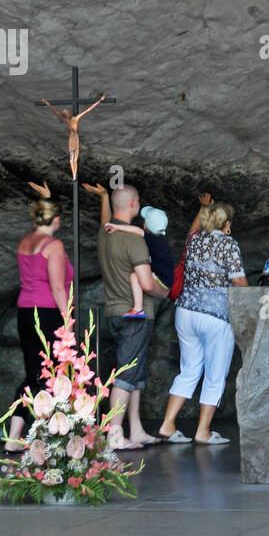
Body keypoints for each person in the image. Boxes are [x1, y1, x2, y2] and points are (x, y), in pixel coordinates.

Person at [156, 202, 247, 445]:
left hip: (186, 312)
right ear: (227, 225)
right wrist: (252, 296)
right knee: (215, 375)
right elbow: (237, 280)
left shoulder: (194, 239)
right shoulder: (229, 244)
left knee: (189, 370)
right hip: (215, 316)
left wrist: (202, 208)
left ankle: (167, 424)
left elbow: (193, 230)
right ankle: (203, 431)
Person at [88, 182, 168, 450]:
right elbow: (146, 283)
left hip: (112, 310)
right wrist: (164, 292)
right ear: (134, 204)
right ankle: (115, 432)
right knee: (126, 374)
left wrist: (103, 198)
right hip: (135, 315)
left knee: (135, 372)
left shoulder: (104, 232)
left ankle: (136, 429)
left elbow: (105, 219)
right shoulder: (134, 239)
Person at [4, 180, 74, 454]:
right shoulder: (53, 245)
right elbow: (57, 286)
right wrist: (67, 319)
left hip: (25, 313)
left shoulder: (25, 241)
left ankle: (15, 434)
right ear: (56, 220)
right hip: (47, 313)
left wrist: (48, 198)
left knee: (34, 373)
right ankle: (48, 435)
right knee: (54, 373)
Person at [101, 205, 172, 317]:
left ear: (145, 225)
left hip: (161, 278)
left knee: (134, 276)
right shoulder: (162, 240)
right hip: (166, 279)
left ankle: (138, 309)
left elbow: (137, 231)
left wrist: (117, 227)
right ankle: (138, 308)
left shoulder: (151, 238)